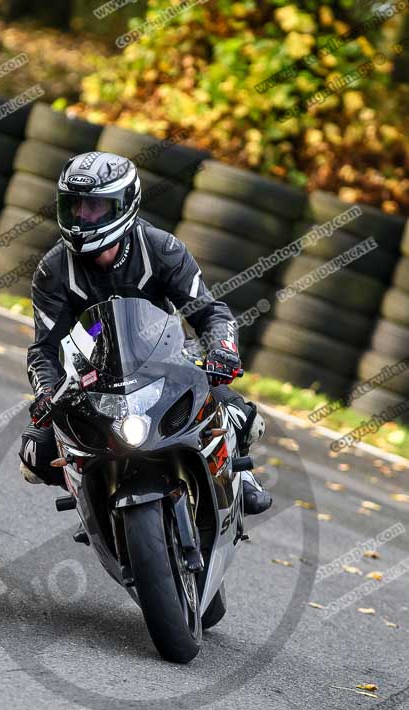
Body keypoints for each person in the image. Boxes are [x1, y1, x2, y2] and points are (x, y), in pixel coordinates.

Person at [19, 151, 272, 516]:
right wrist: (46, 392)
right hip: (93, 377)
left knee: (242, 416)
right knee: (34, 455)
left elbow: (210, 312)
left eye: (94, 207)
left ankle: (236, 471)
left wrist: (223, 350)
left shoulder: (161, 248)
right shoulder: (53, 270)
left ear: (124, 204)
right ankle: (90, 493)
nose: (82, 218)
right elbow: (44, 348)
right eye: (74, 206)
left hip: (166, 364)